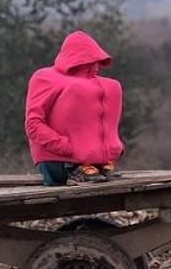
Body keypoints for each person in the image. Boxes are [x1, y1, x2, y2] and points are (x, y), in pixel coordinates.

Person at [25, 30, 125, 185]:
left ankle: (98, 164)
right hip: (59, 161)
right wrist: (70, 147)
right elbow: (33, 124)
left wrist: (112, 147)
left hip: (97, 164)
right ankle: (82, 166)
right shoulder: (45, 78)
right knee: (78, 89)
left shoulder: (106, 84)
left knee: (112, 87)